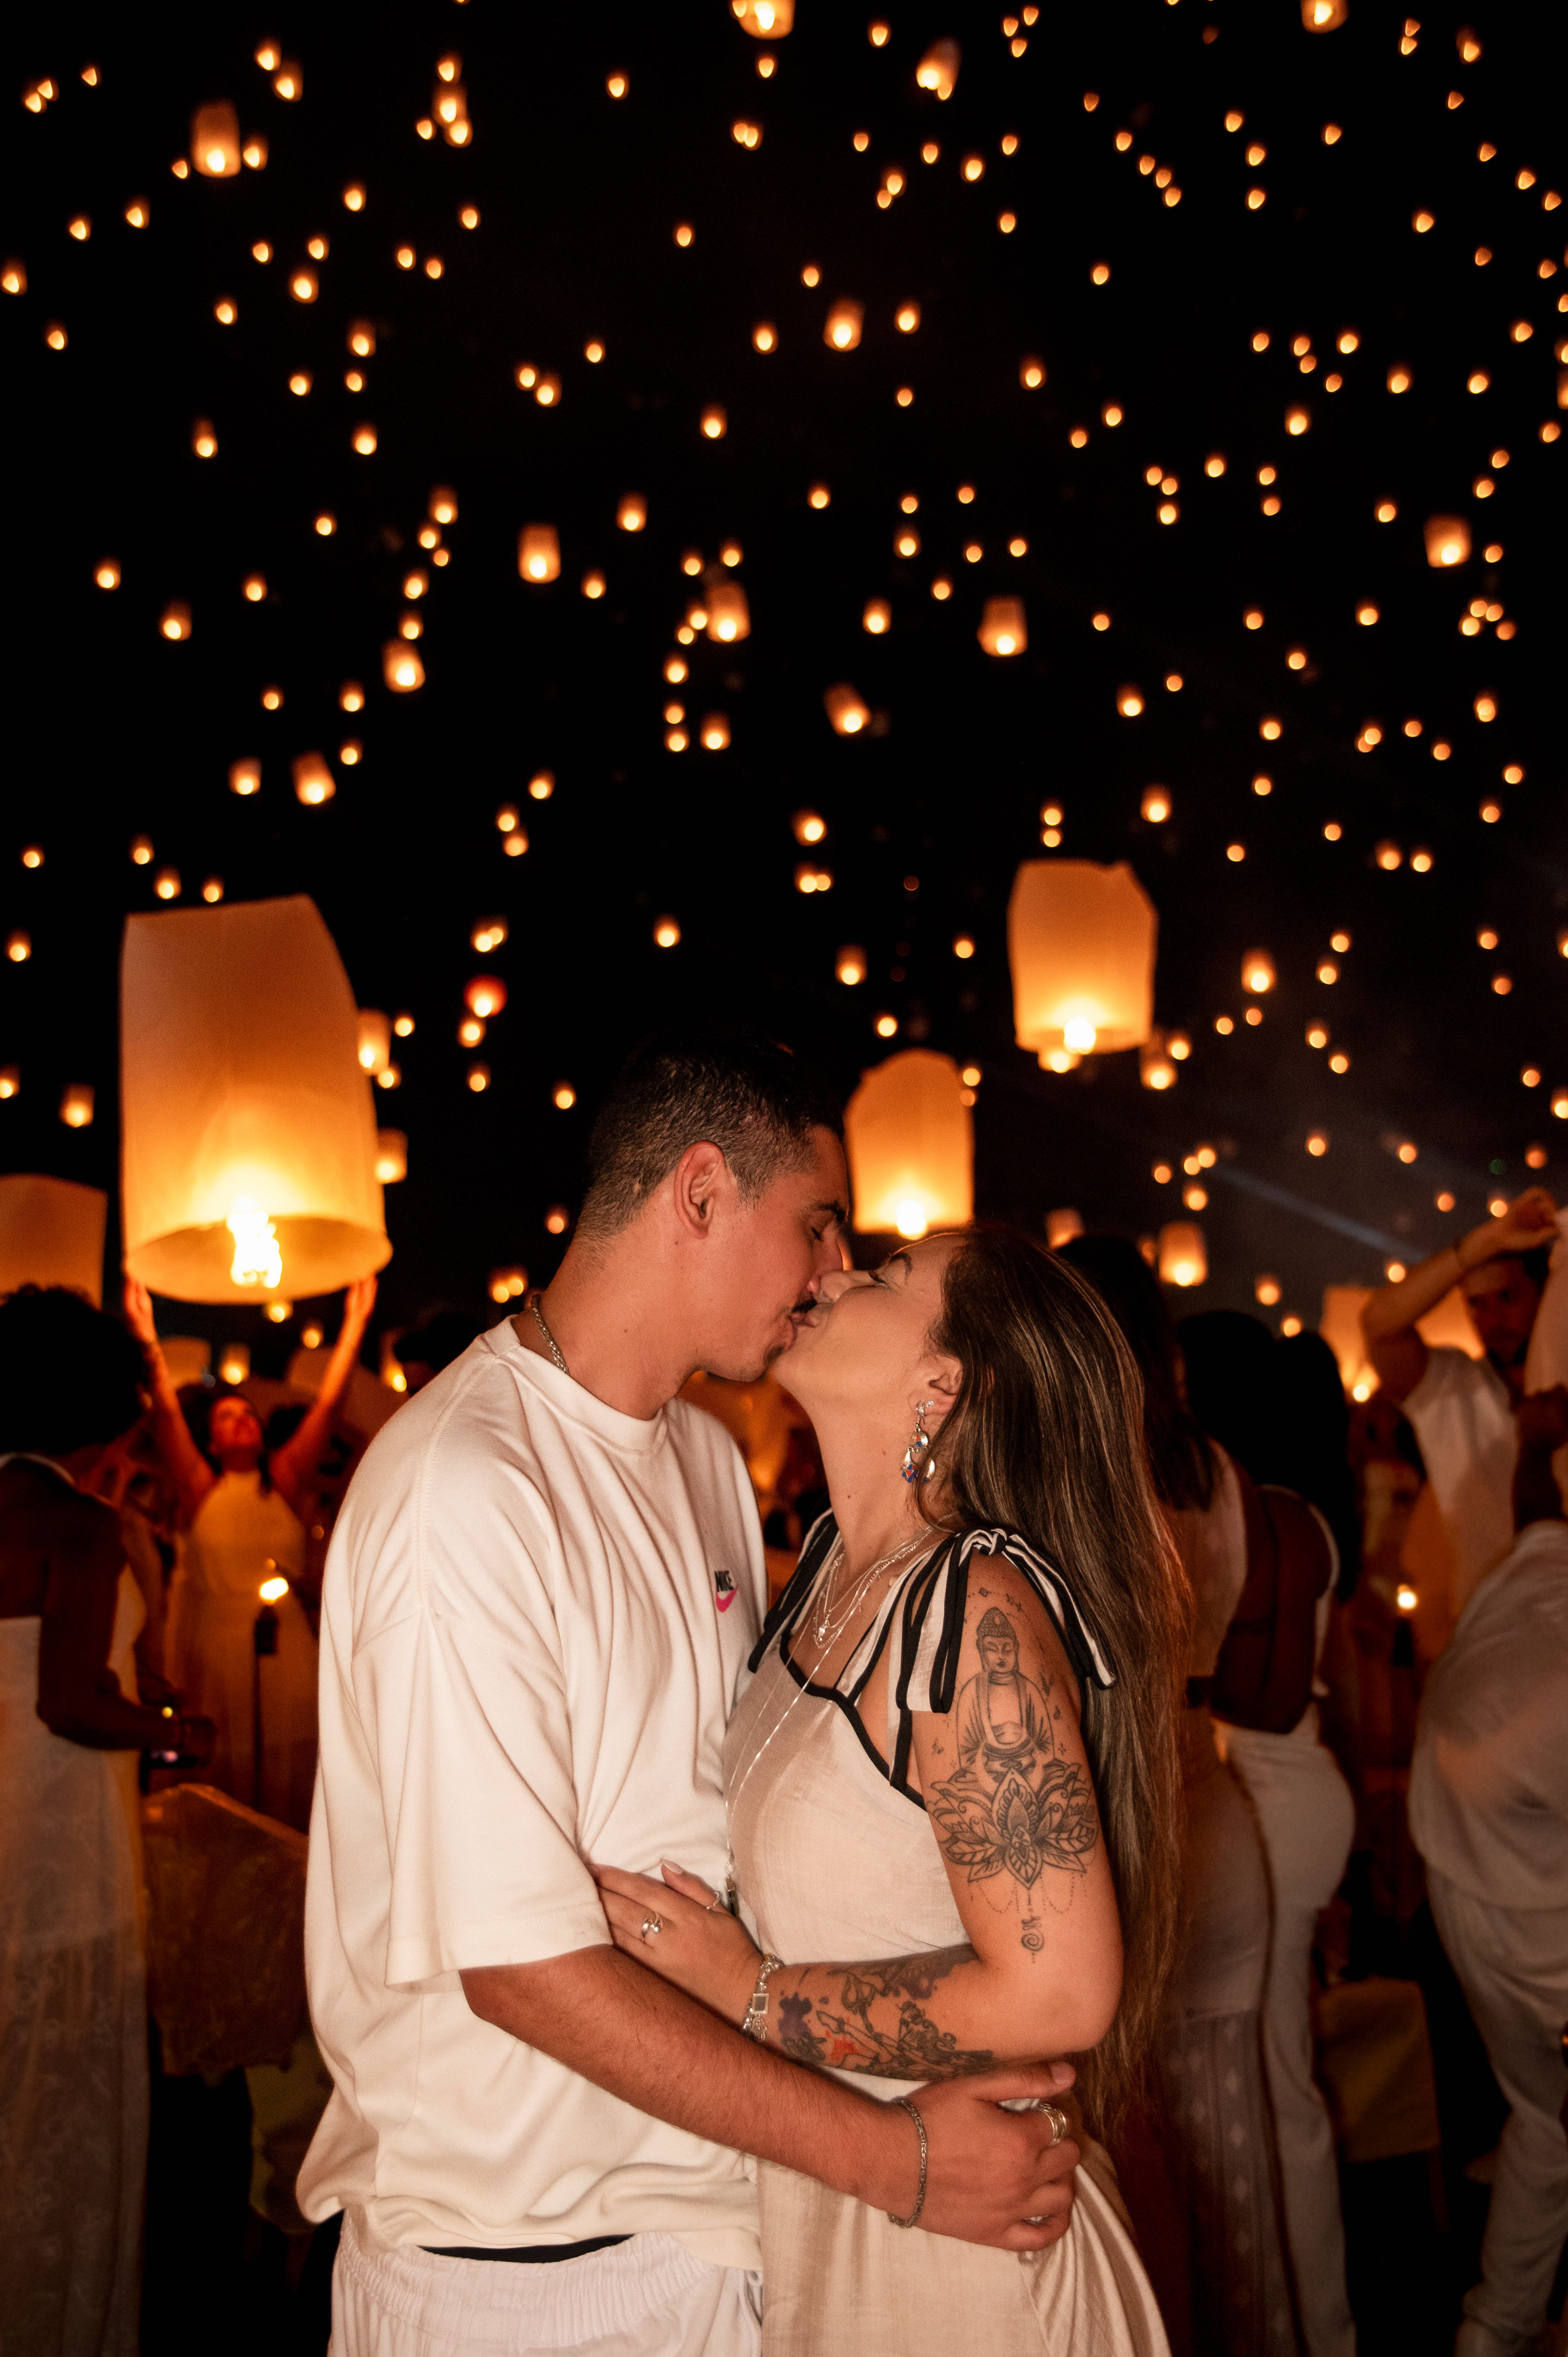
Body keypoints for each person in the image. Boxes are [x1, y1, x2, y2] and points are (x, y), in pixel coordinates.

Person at [298, 1029, 1083, 2357]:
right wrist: (892, 2158)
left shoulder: (712, 1463)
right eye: (819, 1226)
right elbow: (527, 1970)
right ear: (702, 1193)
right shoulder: (467, 1486)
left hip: (719, 2219)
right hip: (525, 2272)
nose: (834, 1272)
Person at [595, 1224, 1182, 2354]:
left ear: (943, 1382)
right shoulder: (826, 1566)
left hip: (971, 2265)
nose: (835, 1270)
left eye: (886, 1277)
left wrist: (755, 1993)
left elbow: (1058, 1994)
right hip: (850, 2207)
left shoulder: (976, 1606)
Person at [1059, 1238, 1297, 2357]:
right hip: (1214, 1804)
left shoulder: (1070, 1477)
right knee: (1238, 2156)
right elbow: (1259, 1679)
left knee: (1142, 2173)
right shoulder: (1211, 1470)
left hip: (1130, 1839)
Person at [0, 1286, 215, 2357]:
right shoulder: (78, 1526)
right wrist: (182, 1735)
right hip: (57, 1868)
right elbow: (68, 1699)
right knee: (59, 2133)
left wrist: (145, 1706)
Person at [1180, 1311, 1357, 2357]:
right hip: (1270, 1795)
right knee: (1271, 2076)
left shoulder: (1278, 1517)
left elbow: (1265, 1697)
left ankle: (1318, 2330)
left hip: (1273, 1792)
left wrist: (1170, 1670)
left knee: (1278, 2083)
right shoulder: (1278, 1510)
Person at [1409, 1385, 1568, 2357]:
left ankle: (1490, 2331)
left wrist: (1537, 1440)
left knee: (1542, 2123)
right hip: (1522, 1902)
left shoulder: (1534, 1572)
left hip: (1456, 1880)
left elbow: (1537, 1515)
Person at [124, 1272, 376, 1829]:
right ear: (211, 1441)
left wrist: (355, 1323)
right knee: (224, 1782)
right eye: (226, 1416)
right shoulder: (200, 1490)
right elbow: (165, 1409)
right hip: (214, 1654)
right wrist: (144, 1331)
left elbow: (330, 1404)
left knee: (290, 1776)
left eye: (247, 1414)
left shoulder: (285, 1482)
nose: (240, 1419)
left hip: (285, 1651)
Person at [1362, 1187, 1559, 1623]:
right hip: (1487, 1630)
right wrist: (1481, 1245)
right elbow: (1378, 1323)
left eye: (1508, 1298)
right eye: (1476, 1305)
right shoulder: (1452, 1385)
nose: (1492, 1320)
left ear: (1543, 1290)